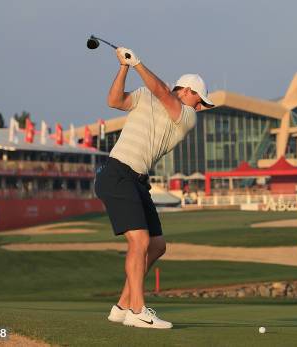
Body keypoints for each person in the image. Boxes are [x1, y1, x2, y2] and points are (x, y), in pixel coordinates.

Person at [94, 47, 213, 329]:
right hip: (116, 173)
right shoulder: (145, 95)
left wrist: (137, 63)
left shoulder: (186, 116)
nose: (200, 108)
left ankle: (122, 305)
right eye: (200, 101)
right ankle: (137, 310)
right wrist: (124, 67)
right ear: (187, 91)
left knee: (157, 245)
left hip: (136, 180)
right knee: (140, 242)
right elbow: (114, 100)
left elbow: (161, 92)